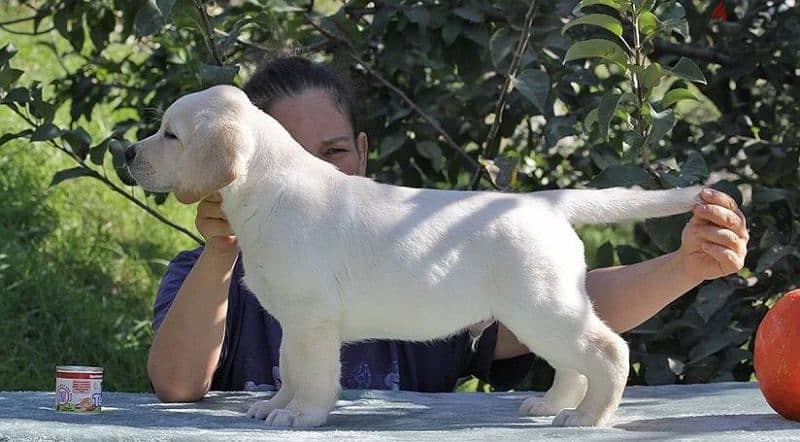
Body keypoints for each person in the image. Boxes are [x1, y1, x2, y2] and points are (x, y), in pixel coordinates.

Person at [147, 56, 749, 402]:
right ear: (240, 166)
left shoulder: (426, 235)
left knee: (561, 325)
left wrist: (684, 267)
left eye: (329, 152)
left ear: (361, 153)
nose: (311, 172)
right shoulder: (214, 270)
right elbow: (176, 385)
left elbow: (565, 306)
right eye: (294, 156)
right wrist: (222, 249)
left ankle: (593, 379)